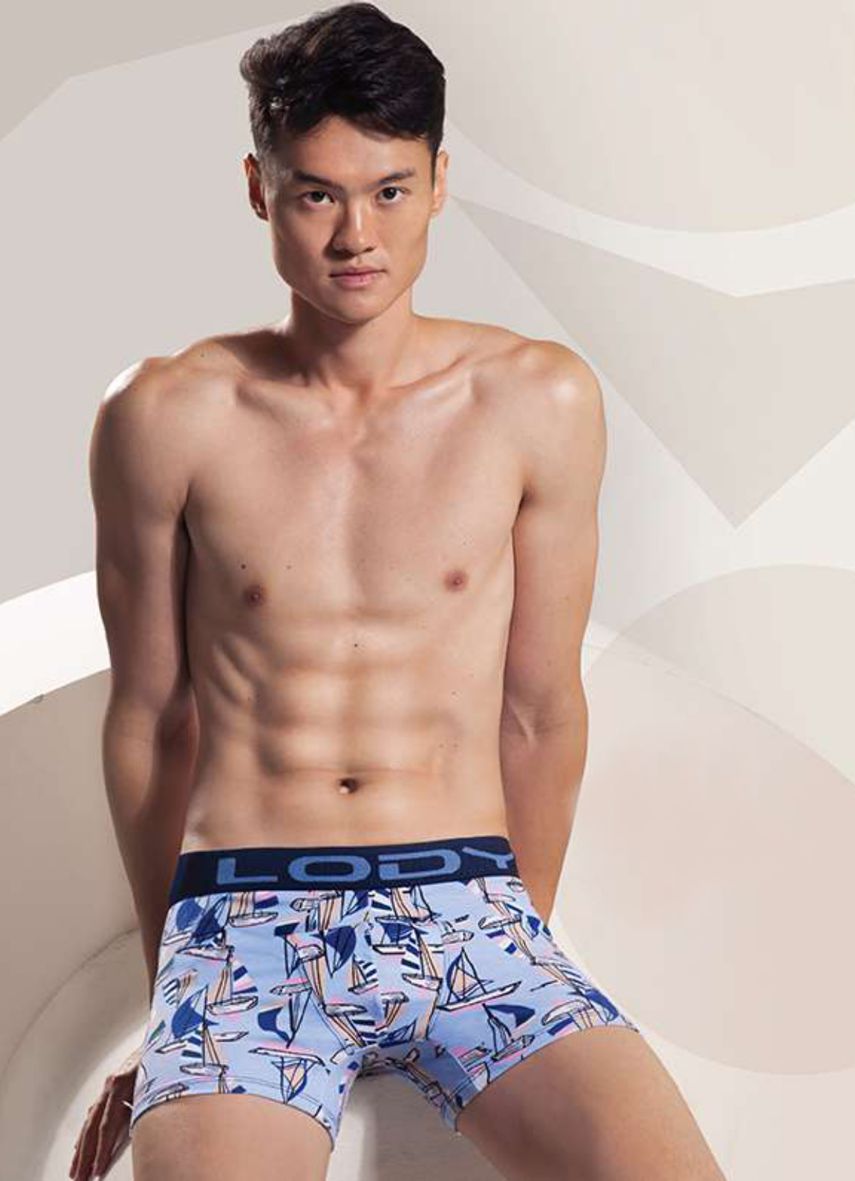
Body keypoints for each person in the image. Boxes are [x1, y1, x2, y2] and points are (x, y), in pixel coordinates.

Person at [70, 4, 726, 1179]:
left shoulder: (537, 400)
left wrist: (515, 937)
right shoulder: (166, 413)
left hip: (470, 903)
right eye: (317, 194)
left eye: (389, 190)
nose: (355, 234)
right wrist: (175, 992)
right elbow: (152, 717)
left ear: (438, 185)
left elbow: (540, 709)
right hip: (245, 919)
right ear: (260, 189)